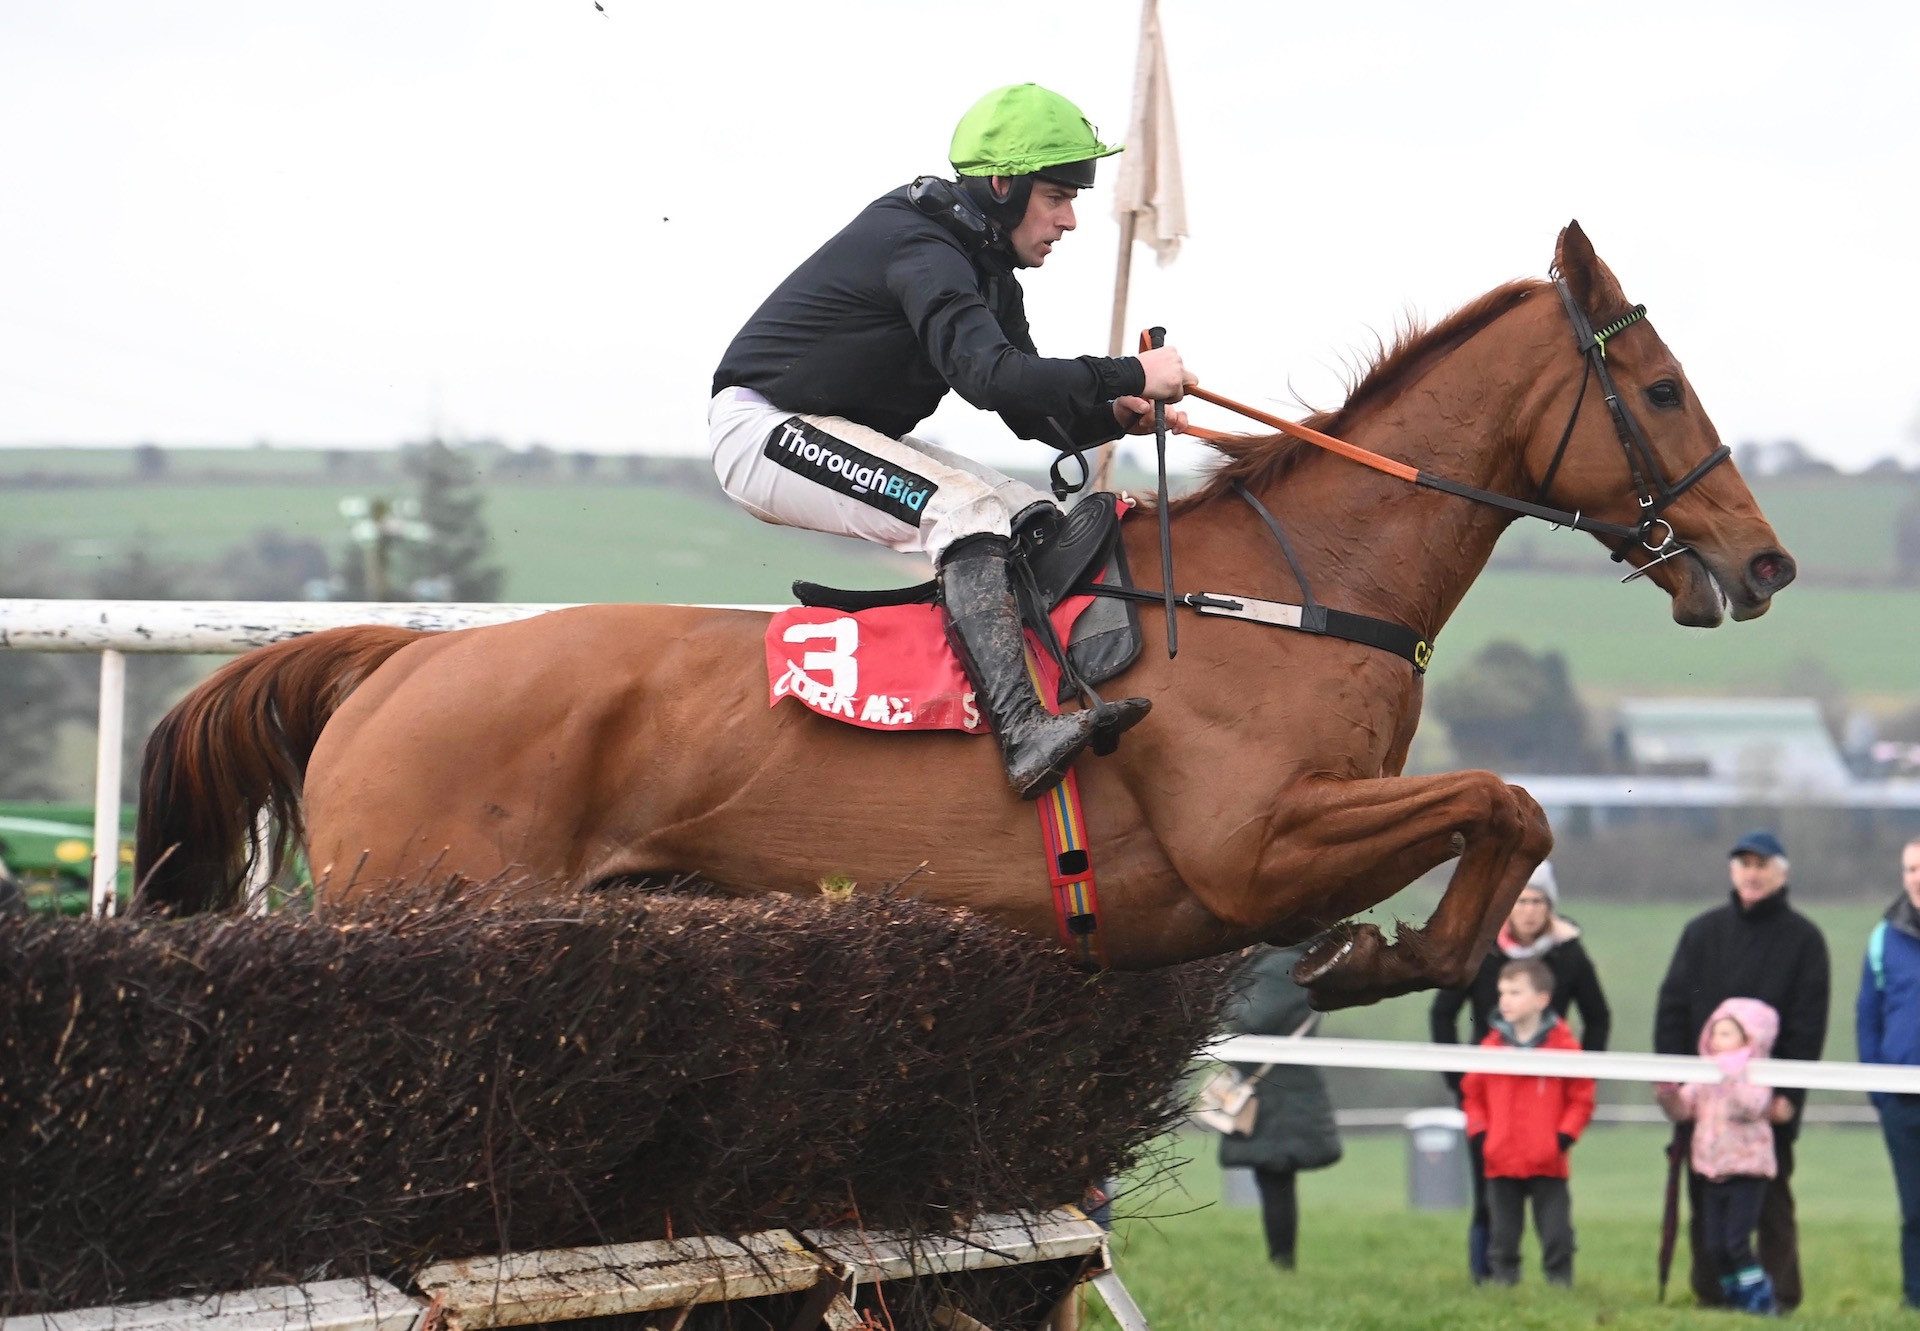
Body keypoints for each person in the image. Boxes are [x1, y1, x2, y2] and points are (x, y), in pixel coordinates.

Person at [708, 83, 1195, 800]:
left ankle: (1043, 688)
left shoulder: (987, 268)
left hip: (837, 429)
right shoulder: (923, 246)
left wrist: (1115, 411)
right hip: (764, 430)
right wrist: (1131, 368)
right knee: (968, 512)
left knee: (1030, 511)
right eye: (1057, 196)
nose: (1071, 220)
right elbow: (993, 377)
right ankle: (1024, 732)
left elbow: (1032, 412)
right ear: (1003, 186)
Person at [1653, 829, 1829, 1312]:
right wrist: (1672, 1084)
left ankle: (1779, 1299)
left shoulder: (1805, 940)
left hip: (1765, 1108)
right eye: (1744, 864)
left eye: (1762, 864)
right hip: (1703, 1106)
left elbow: (1808, 1027)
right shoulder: (1702, 933)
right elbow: (1671, 1011)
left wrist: (1788, 1097)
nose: (1752, 872)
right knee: (1706, 1204)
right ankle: (1712, 1298)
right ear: (1732, 871)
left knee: (1770, 1204)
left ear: (1781, 872)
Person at [1429, 860, 1610, 1281]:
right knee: (1488, 1194)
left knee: (1551, 1196)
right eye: (1520, 900)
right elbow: (1443, 1015)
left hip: (1549, 1096)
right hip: (1492, 1093)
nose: (1528, 909)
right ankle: (1487, 1279)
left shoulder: (1570, 953)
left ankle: (1558, 1278)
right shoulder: (1480, 948)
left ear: (1550, 906)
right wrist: (1459, 1082)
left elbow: (1598, 1017)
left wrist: (1581, 1078)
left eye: (1538, 901)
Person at [1460, 958, 1596, 1287]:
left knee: (1557, 1235)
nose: (1504, 999)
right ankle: (1505, 1286)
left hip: (1548, 1161)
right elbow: (1472, 1095)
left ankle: (1559, 1286)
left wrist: (1564, 1137)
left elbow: (1582, 1097)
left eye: (1515, 992)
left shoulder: (1566, 1048)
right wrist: (1480, 1134)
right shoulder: (1488, 1049)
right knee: (1502, 1237)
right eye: (1502, 992)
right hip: (1500, 1159)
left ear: (1542, 999)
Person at [1217, 943, 1343, 1269]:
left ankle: (1282, 1263)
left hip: (1278, 1095)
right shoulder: (1296, 961)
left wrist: (1229, 979)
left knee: (1275, 1181)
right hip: (1280, 1091)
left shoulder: (1281, 965)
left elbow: (1250, 1016)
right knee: (1276, 1182)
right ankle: (1282, 1262)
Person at [1658, 999, 1785, 1314]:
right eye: (1715, 1033)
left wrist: (1732, 1077)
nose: (1718, 1040)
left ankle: (1758, 1299)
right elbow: (1683, 1111)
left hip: (1746, 1170)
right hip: (1711, 1170)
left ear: (1749, 1038)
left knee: (1736, 1243)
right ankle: (1733, 1298)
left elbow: (1752, 1107)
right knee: (1714, 1245)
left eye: (1728, 1033)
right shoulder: (1704, 1075)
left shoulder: (1756, 1074)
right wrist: (1668, 1094)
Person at [1857, 836, 1920, 1310]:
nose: (1916, 878)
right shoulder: (1884, 938)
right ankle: (1914, 1298)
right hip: (1902, 1098)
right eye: (1910, 869)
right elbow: (1868, 1015)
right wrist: (1880, 1089)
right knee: (1915, 1208)